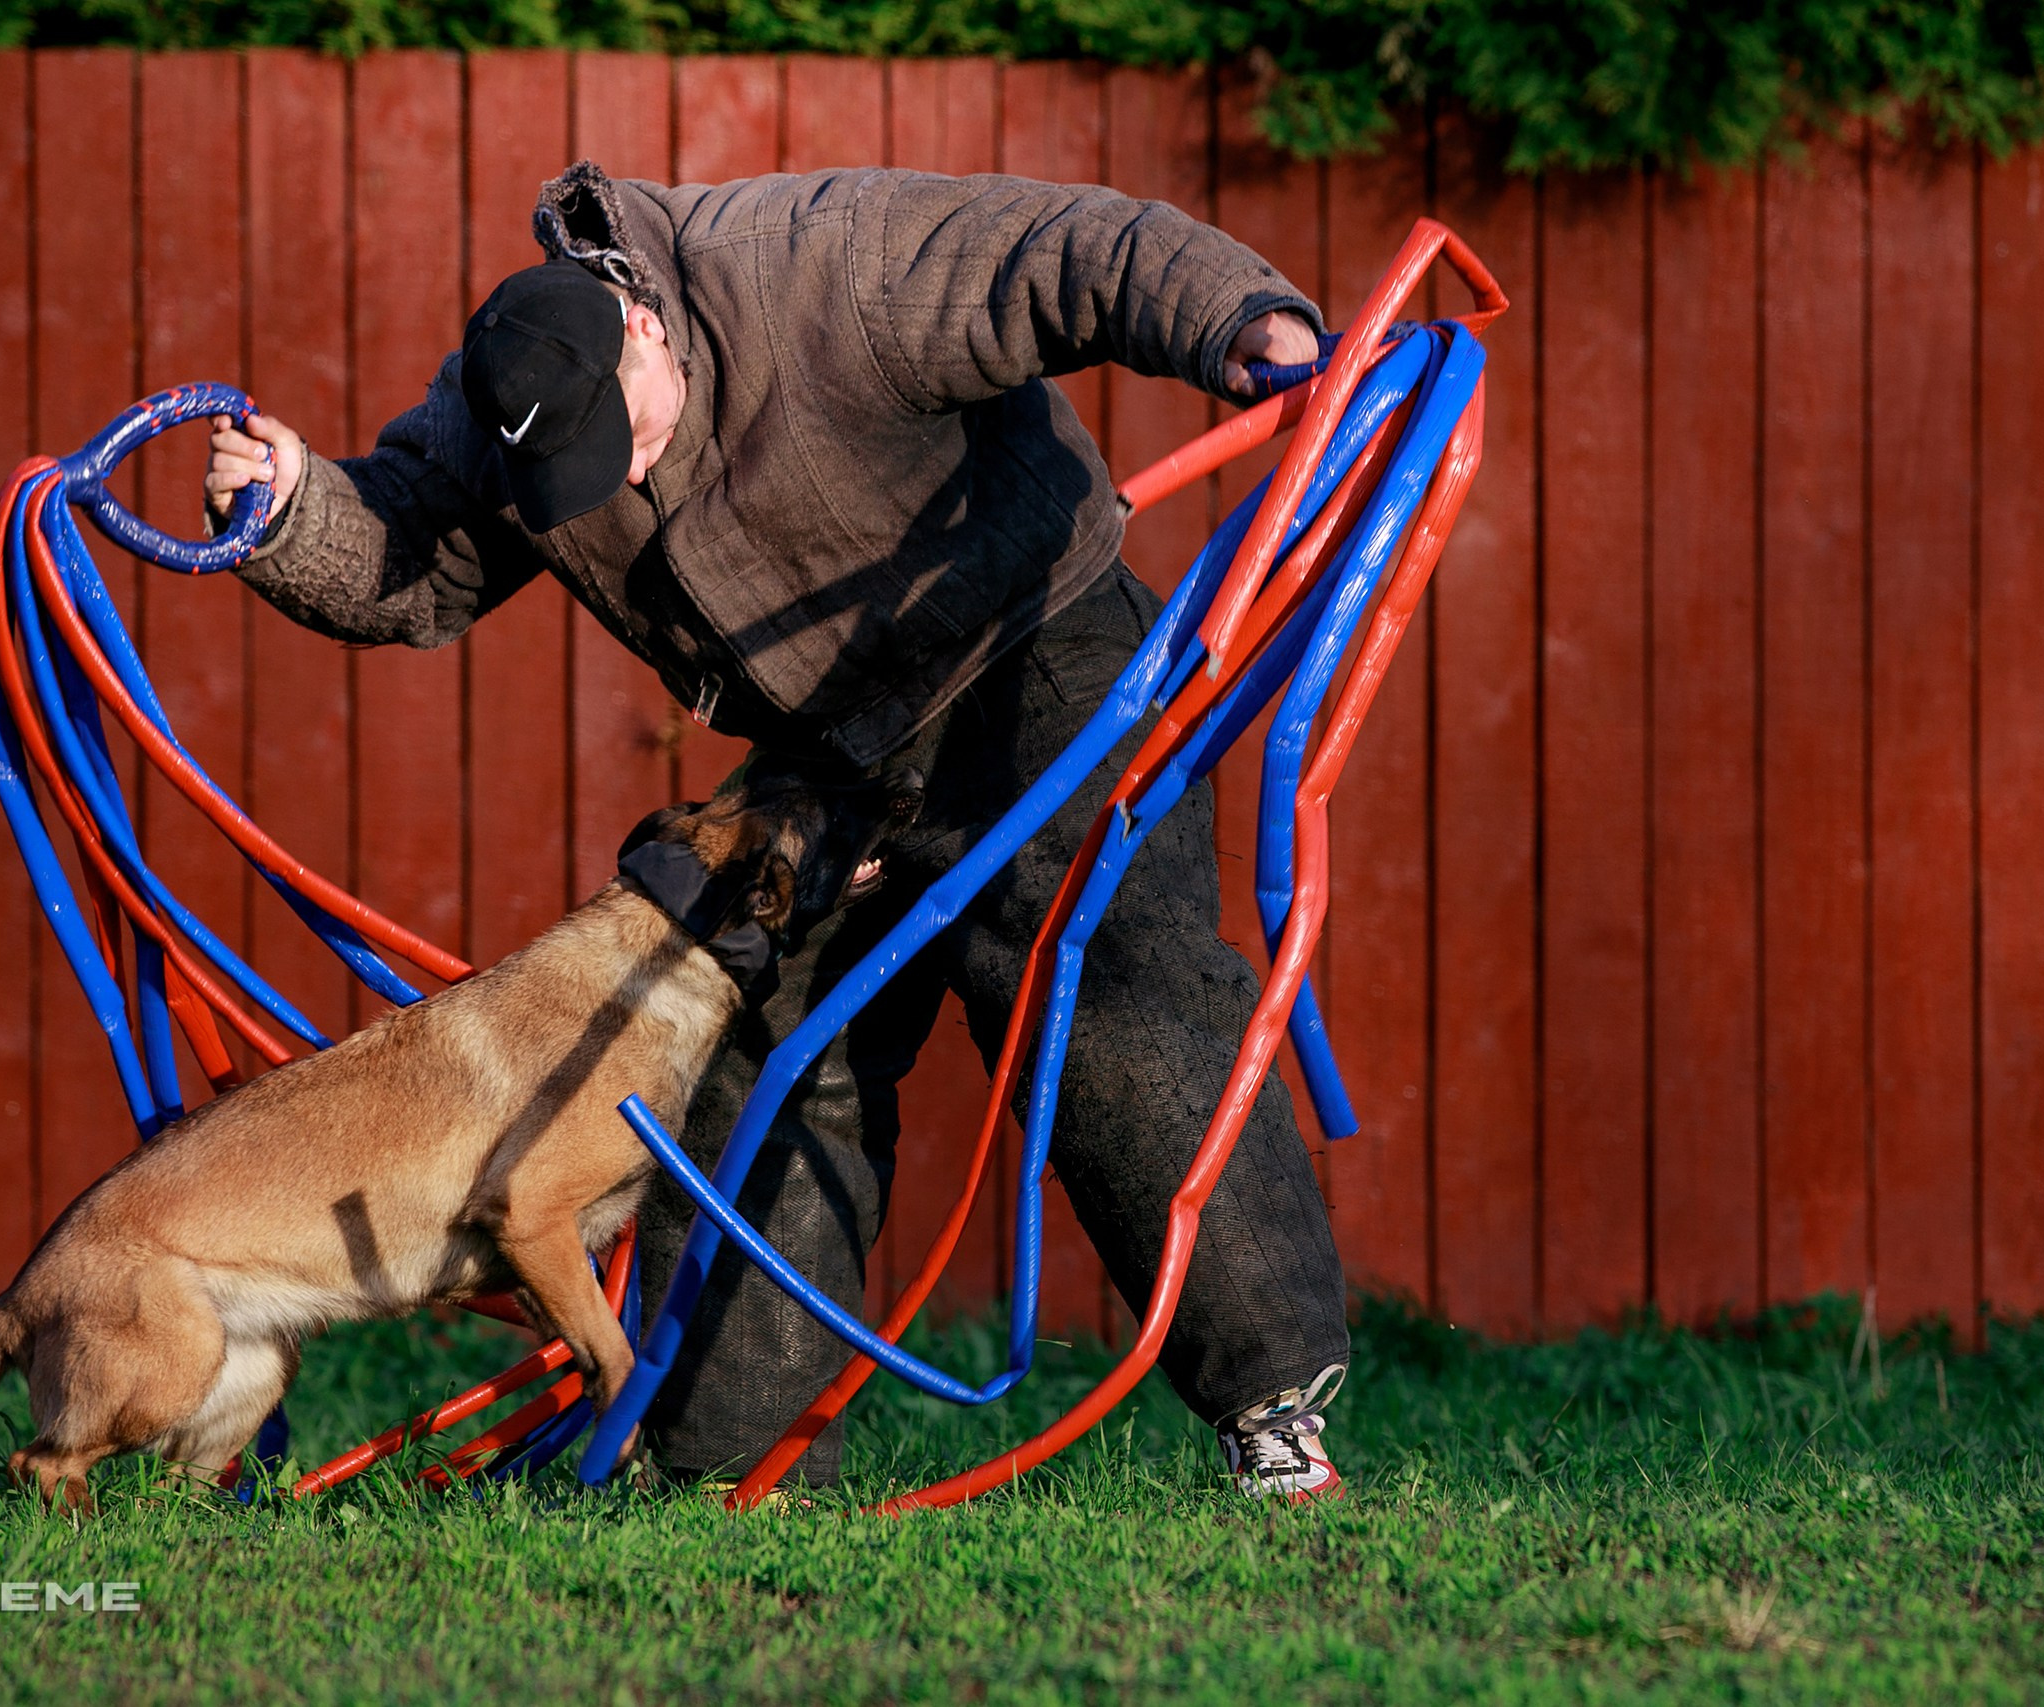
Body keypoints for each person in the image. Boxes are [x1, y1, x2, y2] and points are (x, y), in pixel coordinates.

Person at [203, 162, 1349, 1500]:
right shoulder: (509, 416)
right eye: (574, 472)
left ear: (640, 323)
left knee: (1106, 994)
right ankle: (735, 1469)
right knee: (758, 1047)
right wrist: (288, 510)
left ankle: (1273, 1404)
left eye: (618, 436)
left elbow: (1069, 247)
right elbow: (414, 560)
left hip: (1038, 660)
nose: (614, 475)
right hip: (827, 744)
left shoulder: (824, 265)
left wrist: (1246, 324)